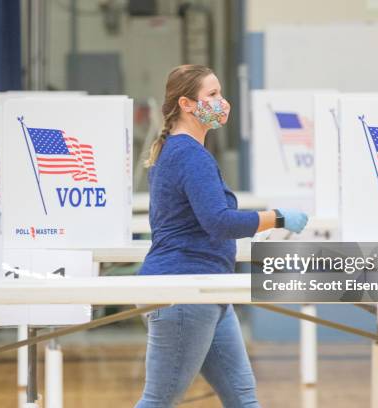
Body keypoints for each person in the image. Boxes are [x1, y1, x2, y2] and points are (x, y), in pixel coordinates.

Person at [135, 64, 309, 408]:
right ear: (186, 104)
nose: (223, 102)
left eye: (220, 93)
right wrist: (276, 217)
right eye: (212, 95)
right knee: (157, 401)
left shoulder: (180, 151)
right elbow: (219, 221)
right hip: (184, 291)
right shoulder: (189, 155)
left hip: (206, 290)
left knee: (243, 397)